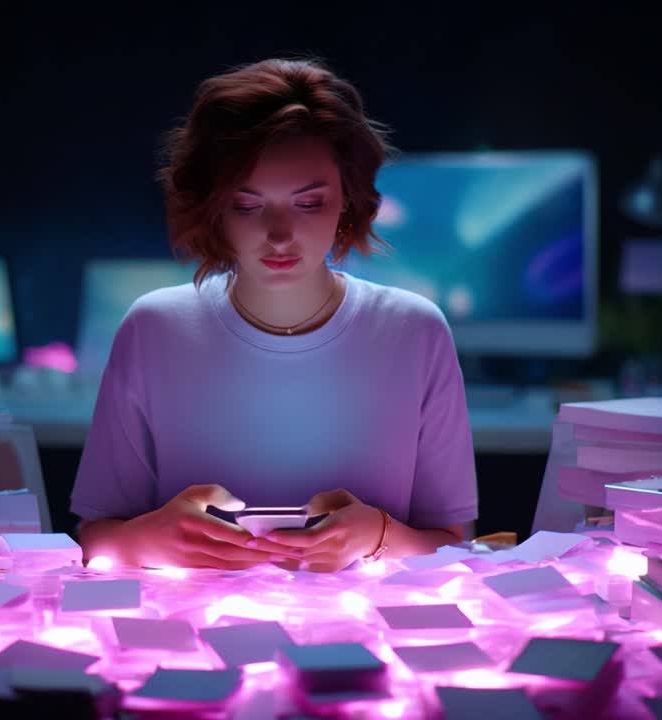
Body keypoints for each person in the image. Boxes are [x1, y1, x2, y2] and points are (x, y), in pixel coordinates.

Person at [70, 58, 477, 572]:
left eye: (308, 203)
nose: (280, 234)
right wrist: (146, 541)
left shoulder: (414, 330)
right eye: (248, 204)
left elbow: (455, 548)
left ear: (349, 201)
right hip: (190, 634)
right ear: (212, 207)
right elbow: (93, 536)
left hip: (369, 634)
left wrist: (378, 535)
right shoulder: (154, 328)